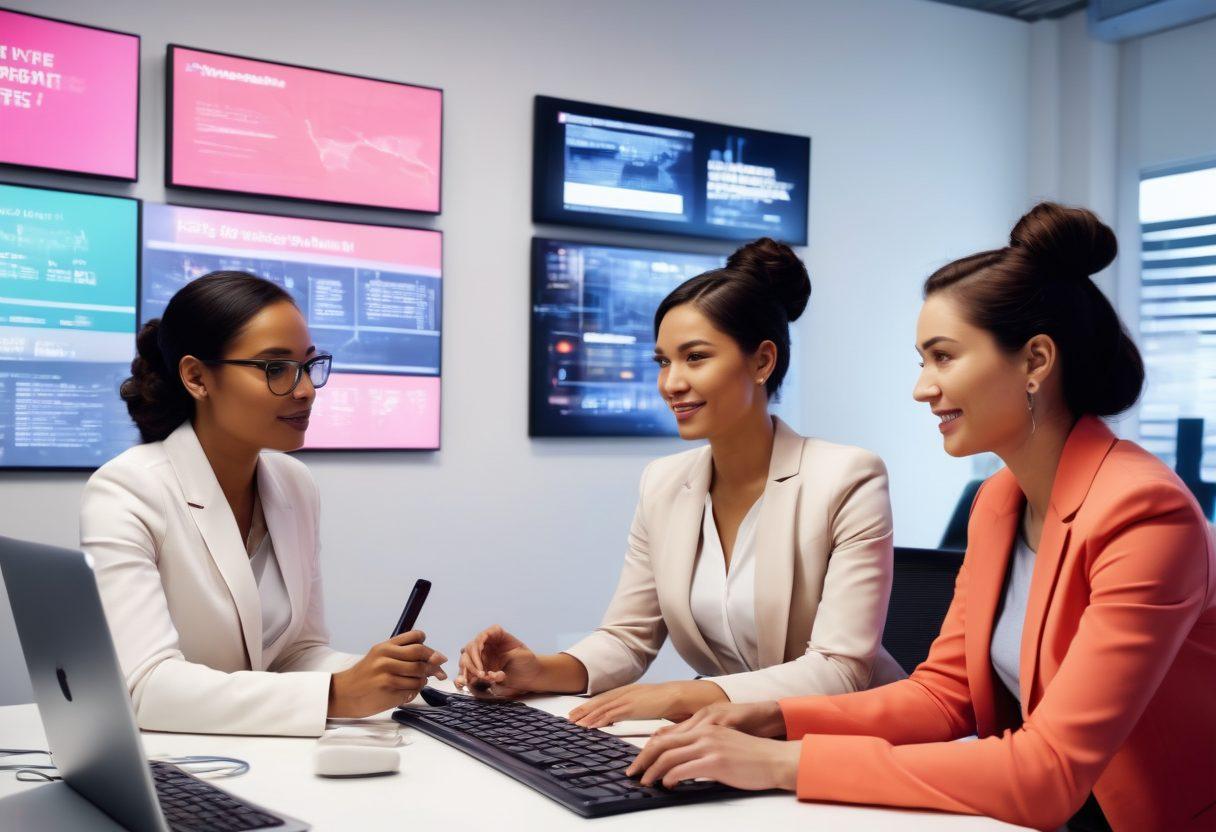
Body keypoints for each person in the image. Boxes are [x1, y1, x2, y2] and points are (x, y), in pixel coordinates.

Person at [627, 204, 1216, 832]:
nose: (922, 387)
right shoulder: (999, 500)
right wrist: (771, 717)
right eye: (921, 361)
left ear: (1036, 361)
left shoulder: (1145, 513)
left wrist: (782, 762)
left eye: (943, 357)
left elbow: (1048, 773)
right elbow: (944, 694)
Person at [458, 238, 904, 727]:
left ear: (762, 362)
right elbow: (628, 638)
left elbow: (840, 670)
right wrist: (538, 670)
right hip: (725, 737)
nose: (671, 383)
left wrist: (679, 696)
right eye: (664, 361)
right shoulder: (663, 483)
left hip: (851, 736)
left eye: (695, 357)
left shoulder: (846, 477)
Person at [81, 271, 447, 737]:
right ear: (196, 377)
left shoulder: (294, 483)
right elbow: (147, 687)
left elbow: (297, 654)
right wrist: (338, 693)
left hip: (271, 758)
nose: (305, 390)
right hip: (177, 768)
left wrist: (383, 675)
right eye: (276, 368)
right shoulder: (127, 490)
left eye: (308, 365)